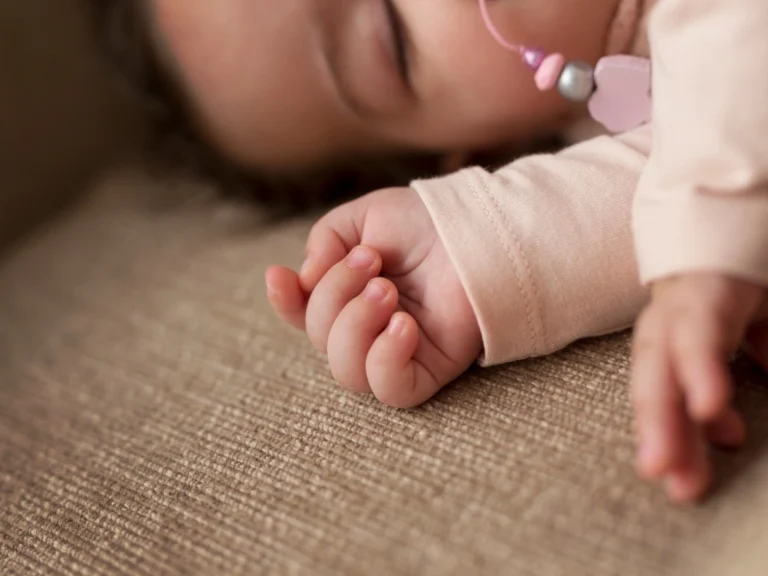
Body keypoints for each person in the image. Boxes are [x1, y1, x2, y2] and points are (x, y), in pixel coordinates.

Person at [93, 0, 768, 503]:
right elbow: (682, 151)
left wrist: (703, 253)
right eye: (392, 32)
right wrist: (479, 244)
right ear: (480, 147)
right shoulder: (634, 118)